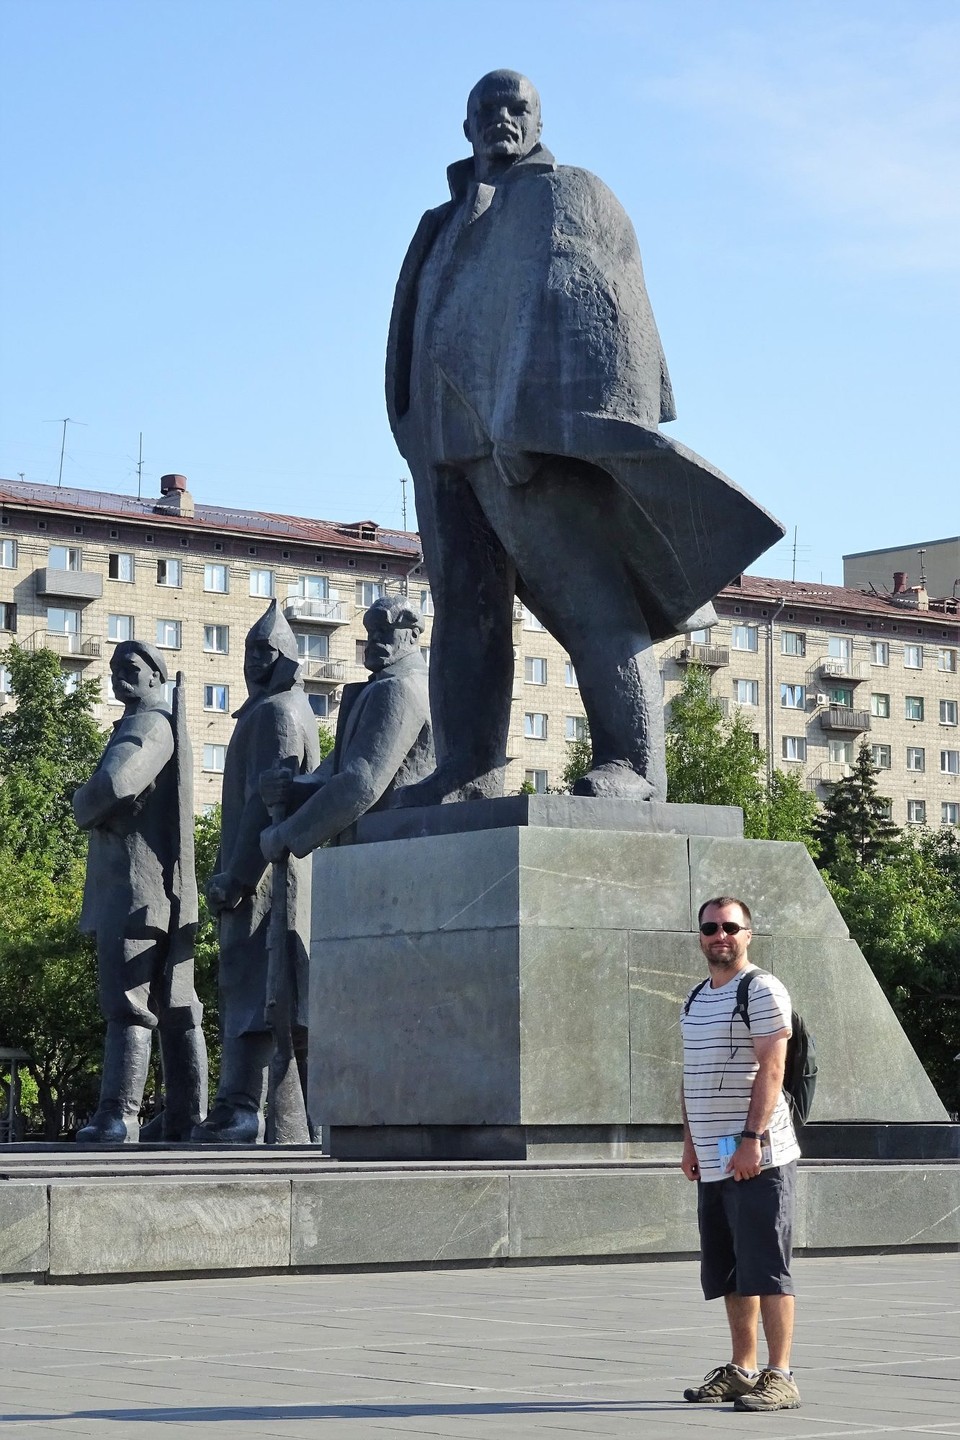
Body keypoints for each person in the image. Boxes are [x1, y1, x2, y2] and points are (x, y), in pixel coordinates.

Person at [386, 70, 783, 805]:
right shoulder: (438, 222)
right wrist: (412, 426)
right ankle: (467, 768)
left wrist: (556, 421)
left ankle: (634, 766)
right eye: (488, 110)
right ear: (466, 126)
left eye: (518, 109)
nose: (503, 120)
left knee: (589, 602)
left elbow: (607, 308)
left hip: (528, 439)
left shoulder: (568, 193)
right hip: (442, 447)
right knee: (465, 618)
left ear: (537, 122)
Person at [192, 601, 321, 1144]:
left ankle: (241, 1108)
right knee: (258, 990)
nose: (251, 660)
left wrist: (237, 877)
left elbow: (260, 803)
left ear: (286, 656)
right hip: (268, 875)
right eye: (246, 650)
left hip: (265, 880)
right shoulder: (275, 709)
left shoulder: (276, 713)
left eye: (263, 651)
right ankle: (273, 1117)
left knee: (255, 989)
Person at [73, 641, 206, 1143]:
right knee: (174, 1001)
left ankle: (118, 1114)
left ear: (157, 676)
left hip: (136, 886)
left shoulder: (147, 724)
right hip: (148, 885)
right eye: (113, 670)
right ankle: (184, 1117)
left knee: (129, 999)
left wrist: (79, 802)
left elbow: (116, 784)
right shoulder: (155, 722)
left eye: (130, 668)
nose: (118, 677)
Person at [679, 895, 802, 1412]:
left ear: (748, 933)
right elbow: (691, 1076)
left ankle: (781, 1375)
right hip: (712, 1155)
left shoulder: (762, 988)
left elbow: (772, 1069)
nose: (719, 935)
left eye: (730, 926)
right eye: (710, 927)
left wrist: (751, 1139)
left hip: (758, 1153)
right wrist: (689, 1141)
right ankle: (742, 1369)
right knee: (730, 1267)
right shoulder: (695, 997)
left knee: (767, 1264)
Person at [259, 594, 433, 862]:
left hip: (386, 855)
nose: (373, 639)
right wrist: (291, 788)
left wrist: (285, 835)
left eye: (384, 630)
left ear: (412, 635)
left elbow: (359, 782)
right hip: (381, 851)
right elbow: (333, 772)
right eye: (370, 631)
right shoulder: (385, 687)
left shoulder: (400, 687)